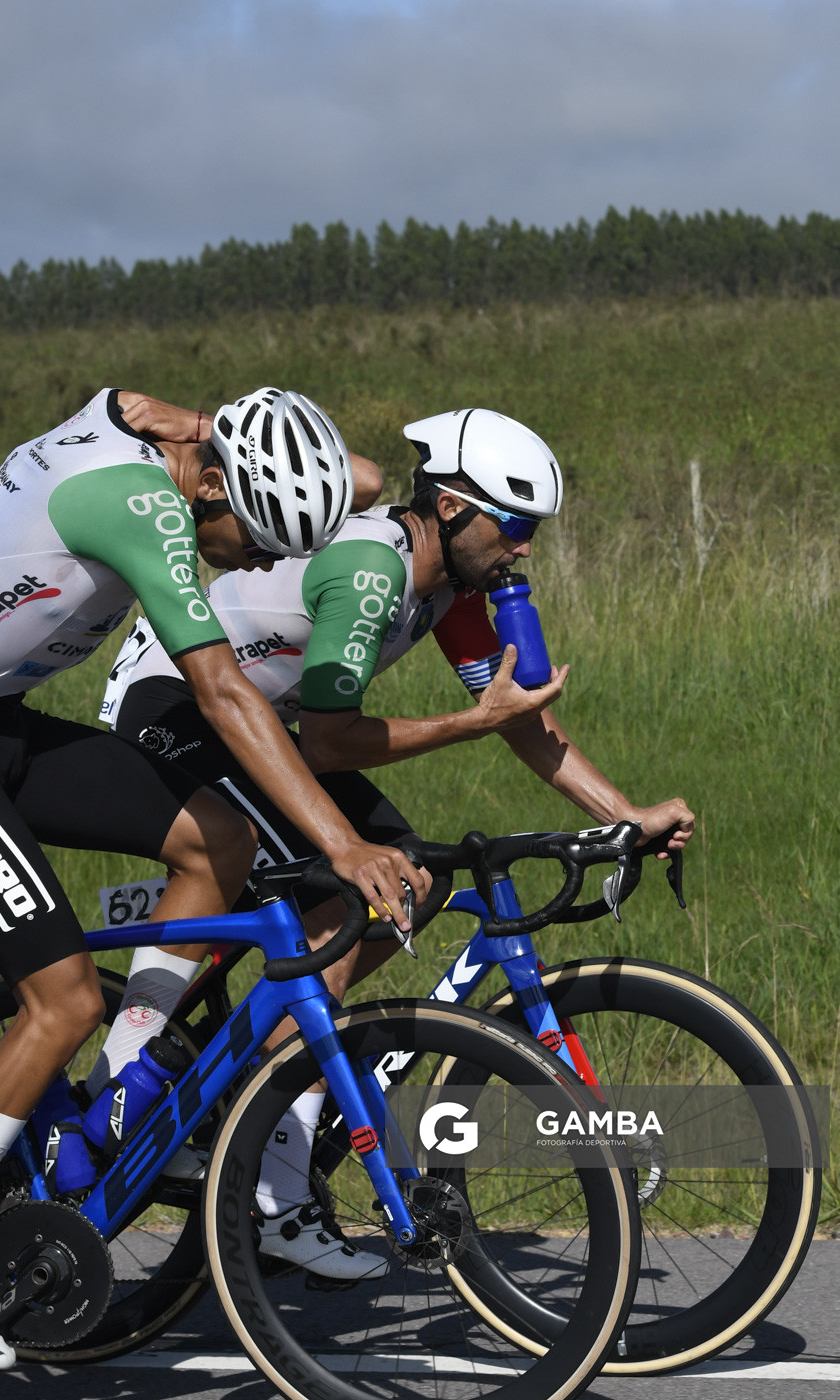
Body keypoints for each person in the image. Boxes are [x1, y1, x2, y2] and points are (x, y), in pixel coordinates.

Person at [98, 406, 695, 1279]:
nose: (525, 548)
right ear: (453, 508)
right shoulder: (374, 571)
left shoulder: (449, 592)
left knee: (407, 885)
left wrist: (622, 812)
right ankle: (258, 1175)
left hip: (265, 725)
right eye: (516, 525)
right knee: (347, 900)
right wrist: (470, 719)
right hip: (174, 708)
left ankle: (253, 1100)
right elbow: (335, 741)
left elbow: (520, 722)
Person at [0, 385, 425, 1368]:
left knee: (218, 839)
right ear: (214, 492)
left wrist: (224, 432)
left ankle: (121, 1085)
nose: (267, 565)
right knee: (57, 1001)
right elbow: (225, 689)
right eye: (261, 539)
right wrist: (341, 842)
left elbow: (344, 474)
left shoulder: (181, 446)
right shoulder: (139, 504)